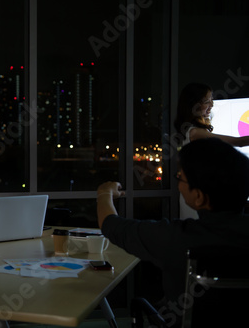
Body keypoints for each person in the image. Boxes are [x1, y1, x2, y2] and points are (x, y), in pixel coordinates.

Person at [96, 138, 249, 327]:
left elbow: (111, 225)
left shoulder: (176, 238)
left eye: (180, 177)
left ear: (199, 197)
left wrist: (105, 193)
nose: (178, 183)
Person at [174, 82, 249, 219]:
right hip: (196, 195)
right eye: (207, 101)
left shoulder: (193, 130)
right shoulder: (195, 132)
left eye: (211, 100)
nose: (212, 105)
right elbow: (239, 142)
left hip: (199, 194)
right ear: (193, 105)